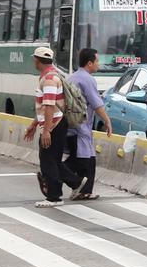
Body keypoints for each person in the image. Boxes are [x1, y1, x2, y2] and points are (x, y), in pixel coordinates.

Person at [22, 47, 87, 208]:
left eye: (34, 59)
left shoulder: (50, 79)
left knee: (47, 161)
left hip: (54, 124)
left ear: (37, 60)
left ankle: (54, 197)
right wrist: (34, 125)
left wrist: (46, 131)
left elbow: (50, 106)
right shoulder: (51, 75)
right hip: (56, 123)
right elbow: (45, 107)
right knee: (54, 159)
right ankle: (75, 181)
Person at [65, 48, 112, 201]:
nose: (99, 64)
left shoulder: (72, 77)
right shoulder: (87, 79)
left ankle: (85, 191)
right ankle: (51, 175)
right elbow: (97, 104)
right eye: (97, 61)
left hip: (72, 126)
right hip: (81, 127)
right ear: (89, 63)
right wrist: (107, 120)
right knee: (81, 161)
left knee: (89, 160)